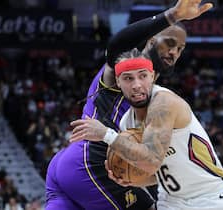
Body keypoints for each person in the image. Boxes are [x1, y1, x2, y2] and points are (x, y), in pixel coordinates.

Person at [45, 1, 213, 210]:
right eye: (169, 43)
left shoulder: (152, 92)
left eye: (180, 48)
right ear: (150, 40)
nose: (174, 52)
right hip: (92, 162)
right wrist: (172, 15)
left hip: (72, 163)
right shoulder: (126, 68)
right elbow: (117, 45)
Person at [69, 49, 223, 210]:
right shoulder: (126, 123)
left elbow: (151, 160)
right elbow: (155, 173)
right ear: (118, 83)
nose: (136, 85)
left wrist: (105, 134)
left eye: (142, 76)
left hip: (210, 200)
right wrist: (129, 179)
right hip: (170, 202)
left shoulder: (164, 103)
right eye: (128, 78)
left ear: (152, 77)